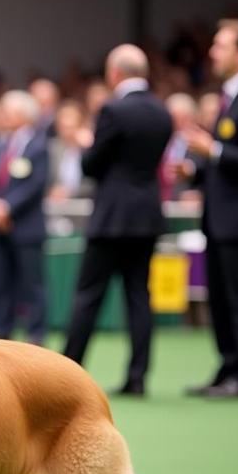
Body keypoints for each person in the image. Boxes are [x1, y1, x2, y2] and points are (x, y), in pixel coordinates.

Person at [62, 45, 172, 396]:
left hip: (112, 216)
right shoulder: (162, 112)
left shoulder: (113, 109)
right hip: (147, 215)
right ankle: (138, 377)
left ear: (114, 74)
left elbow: (92, 164)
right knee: (139, 295)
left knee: (88, 295)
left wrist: (84, 144)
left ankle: (68, 371)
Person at [178, 20, 238, 398]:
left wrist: (211, 150)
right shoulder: (232, 97)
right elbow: (223, 160)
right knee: (219, 298)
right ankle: (227, 369)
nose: (212, 53)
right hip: (220, 220)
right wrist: (192, 169)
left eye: (221, 46)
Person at [0, 89, 49, 344]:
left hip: (25, 227)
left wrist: (6, 208)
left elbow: (35, 185)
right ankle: (1, 331)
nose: (3, 115)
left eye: (9, 111)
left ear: (25, 115)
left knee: (31, 285)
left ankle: (35, 334)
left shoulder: (38, 146)